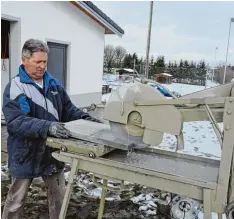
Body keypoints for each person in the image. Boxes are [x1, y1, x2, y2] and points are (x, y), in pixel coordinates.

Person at [2, 38, 101, 219]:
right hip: (26, 153)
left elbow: (68, 110)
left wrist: (86, 120)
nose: (42, 66)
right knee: (16, 200)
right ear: (24, 60)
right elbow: (17, 122)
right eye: (37, 61)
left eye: (45, 62)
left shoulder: (54, 84)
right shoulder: (16, 87)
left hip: (52, 153)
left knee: (59, 198)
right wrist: (48, 126)